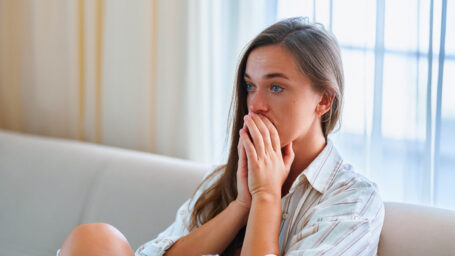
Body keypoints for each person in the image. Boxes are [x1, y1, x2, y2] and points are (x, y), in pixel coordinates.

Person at [57, 17, 384, 256]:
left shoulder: (353, 201)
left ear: (324, 100)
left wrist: (267, 198)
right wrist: (242, 204)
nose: (255, 105)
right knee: (95, 239)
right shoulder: (224, 180)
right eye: (249, 86)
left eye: (276, 87)